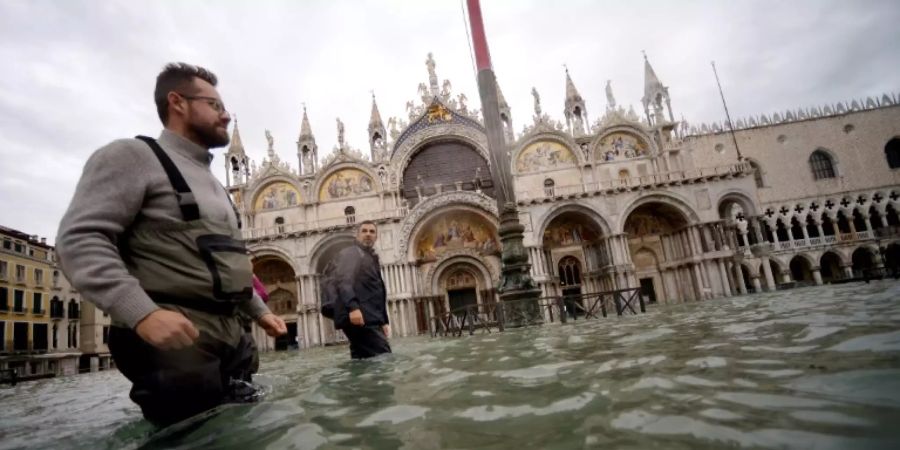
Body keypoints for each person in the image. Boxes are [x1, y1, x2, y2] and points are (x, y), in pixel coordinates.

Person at [56, 62, 287, 427]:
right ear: (177, 103)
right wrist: (141, 312)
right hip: (174, 346)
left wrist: (259, 311)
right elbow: (79, 238)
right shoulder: (132, 157)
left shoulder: (214, 185)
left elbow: (225, 263)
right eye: (215, 105)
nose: (226, 115)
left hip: (232, 342)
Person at [332, 221, 391, 359]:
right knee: (383, 358)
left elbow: (376, 290)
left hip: (369, 318)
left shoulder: (370, 257)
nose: (368, 234)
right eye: (364, 231)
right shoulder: (352, 253)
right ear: (357, 235)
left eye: (372, 232)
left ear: (376, 237)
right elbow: (343, 281)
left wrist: (383, 321)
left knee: (362, 360)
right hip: (361, 318)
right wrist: (353, 308)